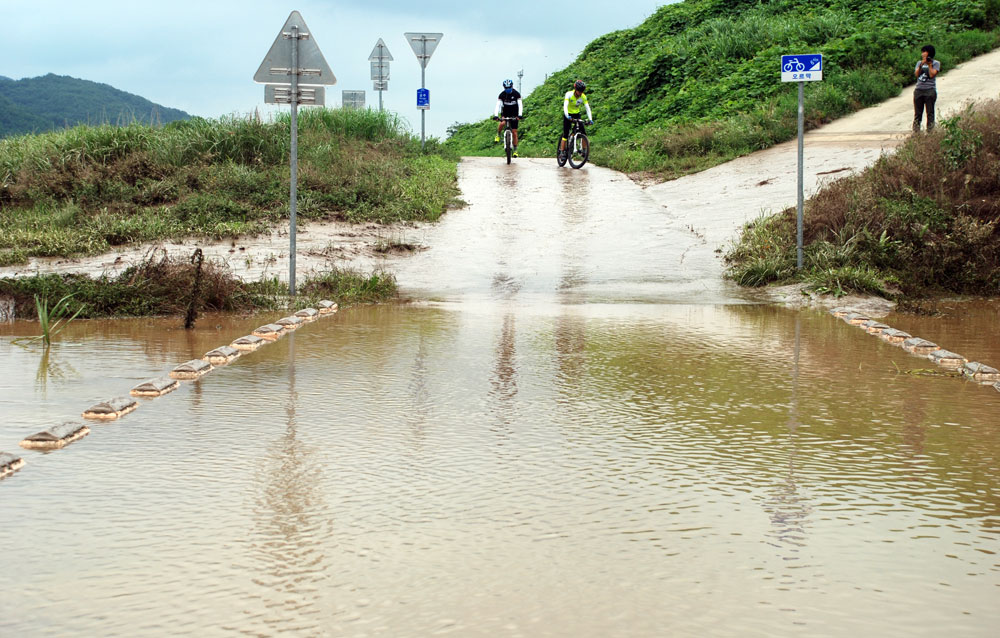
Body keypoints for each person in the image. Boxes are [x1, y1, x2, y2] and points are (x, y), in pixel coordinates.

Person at [560, 80, 593, 154]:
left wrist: (590, 119)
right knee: (565, 133)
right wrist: (567, 115)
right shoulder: (569, 94)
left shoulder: (583, 97)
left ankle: (584, 151)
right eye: (579, 91)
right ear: (575, 89)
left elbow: (588, 108)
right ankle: (562, 151)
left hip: (577, 114)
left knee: (583, 133)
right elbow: (565, 106)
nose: (580, 93)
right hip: (568, 114)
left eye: (582, 91)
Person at [913, 44, 940, 132]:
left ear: (929, 53)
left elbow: (932, 75)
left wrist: (929, 65)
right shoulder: (919, 63)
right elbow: (916, 75)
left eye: (924, 51)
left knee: (930, 113)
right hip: (919, 90)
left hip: (930, 90)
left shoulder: (936, 63)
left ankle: (930, 132)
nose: (922, 54)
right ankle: (916, 132)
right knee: (917, 114)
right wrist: (921, 65)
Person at [493, 79, 523, 154]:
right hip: (505, 112)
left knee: (514, 132)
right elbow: (498, 105)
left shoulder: (516, 94)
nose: (507, 89)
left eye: (509, 87)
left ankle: (515, 150)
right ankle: (498, 134)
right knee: (502, 123)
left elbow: (520, 105)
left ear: (512, 86)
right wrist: (496, 115)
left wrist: (520, 115)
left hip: (514, 113)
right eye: (506, 88)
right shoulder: (502, 95)